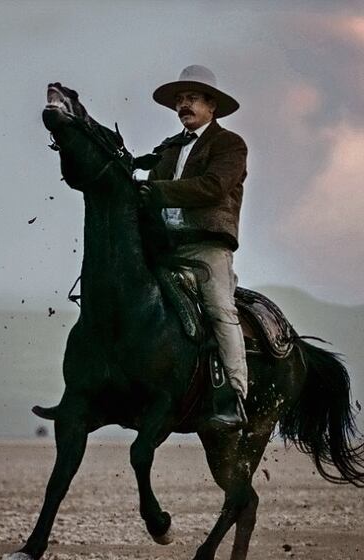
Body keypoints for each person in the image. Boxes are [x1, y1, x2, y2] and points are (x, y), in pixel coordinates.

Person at [137, 65, 249, 430]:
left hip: (207, 247)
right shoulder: (167, 149)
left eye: (192, 98)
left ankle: (234, 397)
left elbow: (214, 187)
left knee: (219, 310)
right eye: (179, 100)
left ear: (212, 106)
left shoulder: (230, 144)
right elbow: (146, 187)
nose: (183, 105)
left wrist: (154, 191)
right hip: (164, 247)